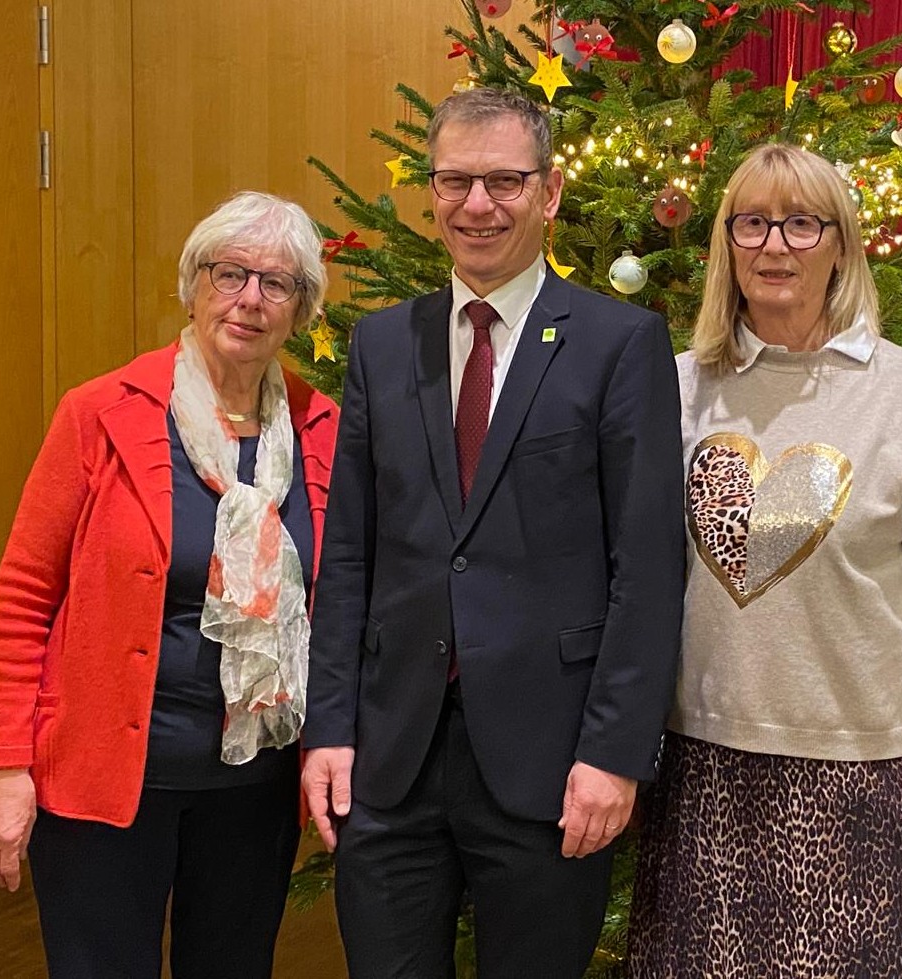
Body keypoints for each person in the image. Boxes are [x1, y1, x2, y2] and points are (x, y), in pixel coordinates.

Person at [301, 87, 684, 979]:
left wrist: (612, 754)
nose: (478, 205)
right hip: (390, 762)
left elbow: (647, 566)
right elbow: (348, 551)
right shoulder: (381, 343)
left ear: (549, 193)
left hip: (551, 770)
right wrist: (329, 728)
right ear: (431, 191)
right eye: (455, 181)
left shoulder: (618, 343)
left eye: (504, 181)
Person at [628, 143, 902, 978]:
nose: (773, 245)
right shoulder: (677, 386)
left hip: (870, 781)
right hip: (705, 777)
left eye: (801, 223)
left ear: (840, 243)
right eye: (751, 222)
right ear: (725, 243)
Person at [0, 191, 339, 978]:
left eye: (276, 283)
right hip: (102, 785)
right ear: (193, 283)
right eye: (229, 272)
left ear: (300, 308)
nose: (248, 298)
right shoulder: (101, 413)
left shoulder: (321, 427)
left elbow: (340, 606)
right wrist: (4, 766)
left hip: (253, 784)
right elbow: (24, 597)